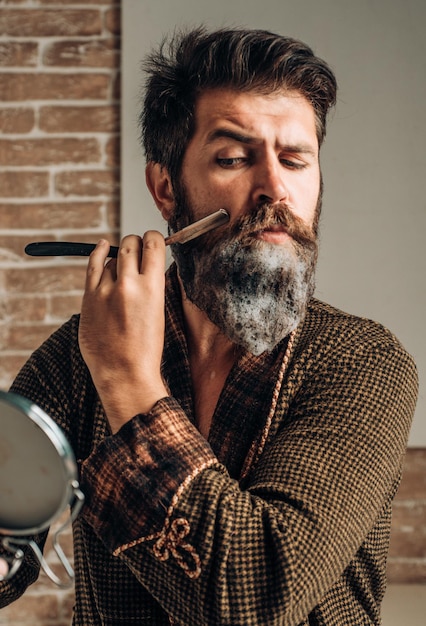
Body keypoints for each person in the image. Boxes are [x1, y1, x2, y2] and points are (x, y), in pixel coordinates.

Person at [0, 26, 418, 625]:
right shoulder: (80, 352)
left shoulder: (361, 361)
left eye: (295, 159)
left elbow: (257, 595)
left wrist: (127, 382)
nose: (275, 187)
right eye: (233, 158)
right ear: (166, 188)